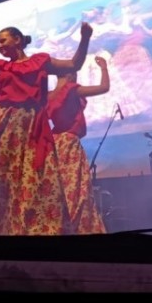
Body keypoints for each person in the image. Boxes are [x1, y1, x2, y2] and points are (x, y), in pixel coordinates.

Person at [0, 23, 92, 235]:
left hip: (33, 125)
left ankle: (36, 227)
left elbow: (74, 64)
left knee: (35, 175)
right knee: (4, 175)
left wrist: (85, 38)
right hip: (7, 127)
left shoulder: (41, 61)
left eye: (3, 40)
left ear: (18, 40)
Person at [47, 56, 110, 234]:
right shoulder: (71, 89)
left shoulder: (49, 95)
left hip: (54, 143)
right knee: (75, 189)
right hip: (68, 143)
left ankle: (58, 225)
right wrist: (104, 67)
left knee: (57, 187)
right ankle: (77, 228)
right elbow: (104, 88)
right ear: (72, 75)